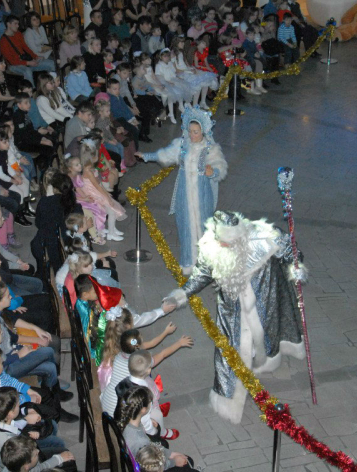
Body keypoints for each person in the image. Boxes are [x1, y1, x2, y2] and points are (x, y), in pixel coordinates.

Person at [165, 211, 306, 424]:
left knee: (263, 339)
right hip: (231, 309)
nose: (223, 245)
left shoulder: (264, 239)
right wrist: (181, 294)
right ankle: (226, 398)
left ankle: (261, 361)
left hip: (262, 302)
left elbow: (293, 255)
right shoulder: (211, 246)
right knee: (228, 349)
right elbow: (201, 275)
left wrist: (295, 264)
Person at [137, 107, 226, 272]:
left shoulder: (210, 148)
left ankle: (206, 261)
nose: (192, 135)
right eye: (190, 131)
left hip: (202, 193)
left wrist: (213, 172)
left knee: (203, 225)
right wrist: (147, 156)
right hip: (184, 192)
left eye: (196, 132)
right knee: (185, 225)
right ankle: (188, 261)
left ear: (203, 131)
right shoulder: (183, 144)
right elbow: (166, 155)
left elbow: (219, 166)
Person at [119, 386, 196, 470]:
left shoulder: (126, 420)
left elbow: (149, 446)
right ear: (143, 410)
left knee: (165, 444)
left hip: (144, 455)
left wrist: (171, 453)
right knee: (189, 462)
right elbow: (154, 466)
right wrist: (174, 462)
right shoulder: (140, 441)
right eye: (150, 403)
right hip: (149, 466)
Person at [0, 16, 55, 86]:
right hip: (14, 65)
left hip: (25, 60)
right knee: (27, 71)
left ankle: (52, 86)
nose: (18, 26)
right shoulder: (3, 41)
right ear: (8, 24)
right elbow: (11, 61)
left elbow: (26, 47)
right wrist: (28, 63)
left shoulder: (18, 33)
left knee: (51, 63)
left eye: (18, 24)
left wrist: (35, 57)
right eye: (15, 24)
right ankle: (31, 91)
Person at [0, 435, 76, 472]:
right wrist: (59, 458)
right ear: (26, 467)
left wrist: (59, 458)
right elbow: (38, 468)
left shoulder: (15, 464)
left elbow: (37, 468)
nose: (38, 451)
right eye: (35, 454)